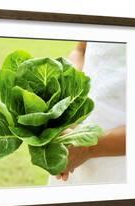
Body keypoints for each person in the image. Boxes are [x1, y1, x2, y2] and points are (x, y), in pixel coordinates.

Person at [49, 41, 126, 185]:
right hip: (72, 148)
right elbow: (80, 50)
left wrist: (88, 148)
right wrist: (68, 88)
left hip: (126, 166)